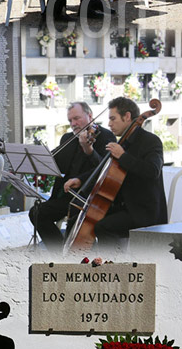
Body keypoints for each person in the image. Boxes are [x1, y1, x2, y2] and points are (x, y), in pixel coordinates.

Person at [83, 96, 168, 244]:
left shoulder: (151, 141)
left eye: (113, 119)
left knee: (103, 227)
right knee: (86, 217)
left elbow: (152, 170)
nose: (109, 124)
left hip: (144, 211)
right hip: (125, 206)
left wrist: (123, 156)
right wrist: (79, 180)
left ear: (127, 116)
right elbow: (105, 171)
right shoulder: (124, 142)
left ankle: (115, 266)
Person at [29, 102, 111, 248]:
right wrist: (38, 162)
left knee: (75, 215)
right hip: (67, 195)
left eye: (77, 118)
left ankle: (72, 253)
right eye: (70, 120)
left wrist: (88, 149)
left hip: (89, 197)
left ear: (90, 116)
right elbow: (56, 163)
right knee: (37, 212)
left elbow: (104, 168)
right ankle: (59, 251)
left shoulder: (105, 136)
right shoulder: (68, 138)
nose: (73, 123)